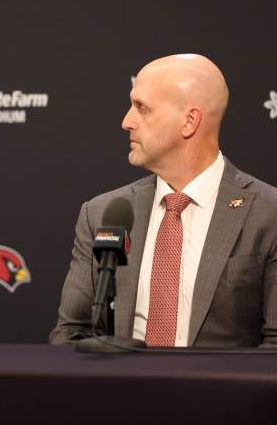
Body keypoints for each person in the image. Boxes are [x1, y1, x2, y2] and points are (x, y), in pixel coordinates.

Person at [49, 54, 277, 348]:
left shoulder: (269, 213)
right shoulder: (102, 213)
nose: (126, 121)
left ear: (189, 121)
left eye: (142, 108)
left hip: (219, 393)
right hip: (120, 391)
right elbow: (71, 334)